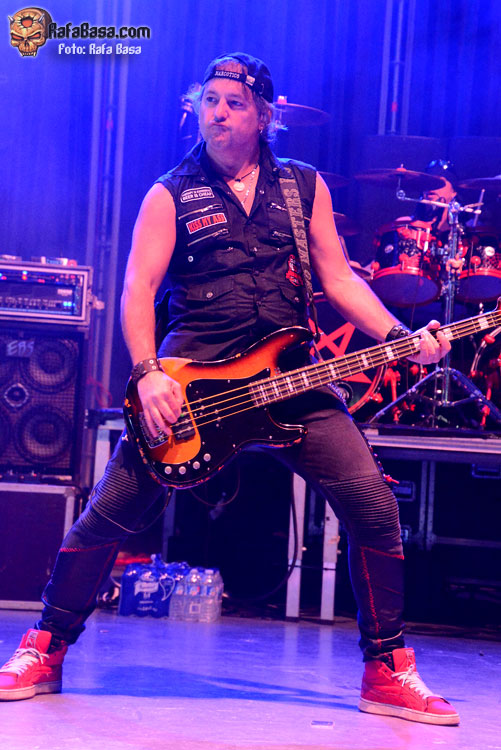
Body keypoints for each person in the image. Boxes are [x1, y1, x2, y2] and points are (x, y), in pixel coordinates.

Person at [0, 52, 459, 725]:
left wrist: (399, 334)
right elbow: (137, 289)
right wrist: (147, 373)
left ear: (264, 115)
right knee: (111, 510)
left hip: (288, 377)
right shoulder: (168, 193)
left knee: (373, 505)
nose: (217, 113)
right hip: (192, 383)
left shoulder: (303, 188)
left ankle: (386, 668)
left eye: (233, 102)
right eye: (209, 100)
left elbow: (338, 279)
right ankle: (44, 647)